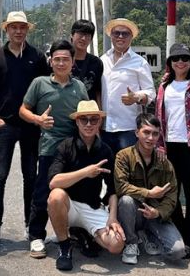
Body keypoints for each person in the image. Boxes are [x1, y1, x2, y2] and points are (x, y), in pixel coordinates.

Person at [19, 39, 88, 259]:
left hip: (74, 149)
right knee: (42, 192)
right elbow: (23, 110)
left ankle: (78, 234)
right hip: (49, 147)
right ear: (51, 61)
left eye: (65, 59)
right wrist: (38, 120)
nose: (61, 63)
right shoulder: (39, 83)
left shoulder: (79, 86)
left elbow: (88, 114)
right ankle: (36, 236)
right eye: (57, 59)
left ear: (72, 62)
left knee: (78, 192)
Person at [0, 10, 50, 248]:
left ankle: (29, 225)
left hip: (31, 126)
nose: (18, 31)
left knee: (31, 177)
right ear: (7, 30)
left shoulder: (37, 56)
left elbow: (45, 90)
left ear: (27, 30)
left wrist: (39, 119)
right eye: (14, 27)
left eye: (22, 27)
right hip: (5, 124)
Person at [47, 100, 125, 271]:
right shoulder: (66, 146)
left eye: (93, 120)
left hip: (93, 208)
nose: (89, 124)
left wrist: (113, 217)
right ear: (77, 121)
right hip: (70, 207)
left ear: (99, 122)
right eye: (84, 120)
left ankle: (82, 232)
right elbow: (54, 182)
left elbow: (112, 190)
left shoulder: (105, 151)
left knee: (116, 245)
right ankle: (65, 247)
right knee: (56, 196)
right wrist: (85, 172)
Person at [154, 42, 190, 250]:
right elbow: (158, 117)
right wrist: (159, 145)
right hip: (169, 147)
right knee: (172, 193)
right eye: (176, 59)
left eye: (185, 59)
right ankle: (178, 234)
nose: (180, 62)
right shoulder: (164, 86)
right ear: (170, 62)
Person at [114, 113, 187, 265]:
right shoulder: (123, 156)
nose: (150, 138)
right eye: (146, 132)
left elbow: (172, 196)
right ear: (136, 132)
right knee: (126, 201)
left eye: (155, 133)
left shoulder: (165, 163)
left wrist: (158, 212)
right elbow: (121, 187)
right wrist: (148, 193)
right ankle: (132, 242)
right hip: (133, 212)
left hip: (154, 214)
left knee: (178, 252)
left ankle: (147, 235)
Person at [100, 18, 155, 154]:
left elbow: (150, 92)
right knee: (106, 171)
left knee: (128, 170)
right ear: (111, 36)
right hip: (103, 127)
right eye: (116, 33)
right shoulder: (102, 60)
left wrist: (136, 97)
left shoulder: (139, 63)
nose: (120, 36)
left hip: (128, 127)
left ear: (131, 37)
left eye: (125, 34)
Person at [69, 19, 103, 103]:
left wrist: (100, 113)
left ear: (91, 39)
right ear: (72, 35)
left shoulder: (96, 63)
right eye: (80, 34)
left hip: (88, 113)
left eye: (87, 35)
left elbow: (97, 91)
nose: (83, 38)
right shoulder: (62, 60)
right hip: (66, 110)